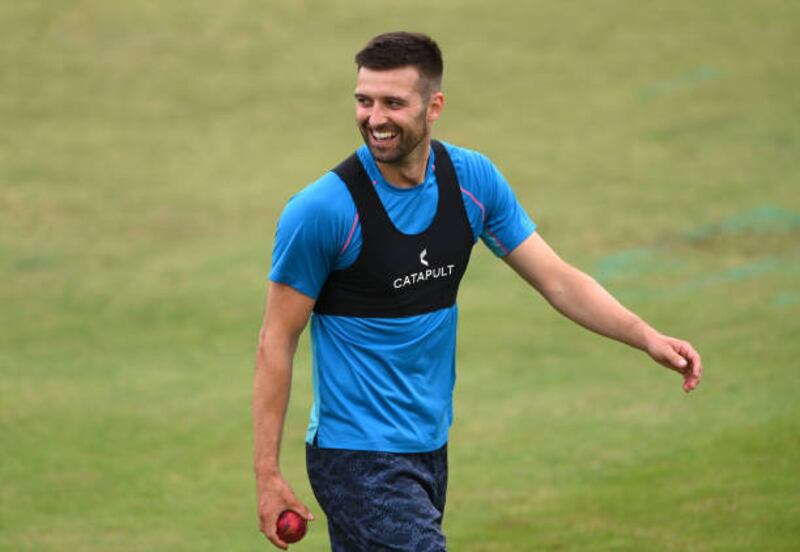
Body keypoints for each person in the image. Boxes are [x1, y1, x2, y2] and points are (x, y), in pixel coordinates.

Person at [253, 31, 702, 551]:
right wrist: (267, 474)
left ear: (434, 105)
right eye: (364, 100)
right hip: (356, 455)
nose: (375, 118)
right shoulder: (323, 211)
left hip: (428, 445)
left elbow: (556, 279)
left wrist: (644, 335)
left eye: (393, 103)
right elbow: (275, 341)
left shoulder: (471, 181)